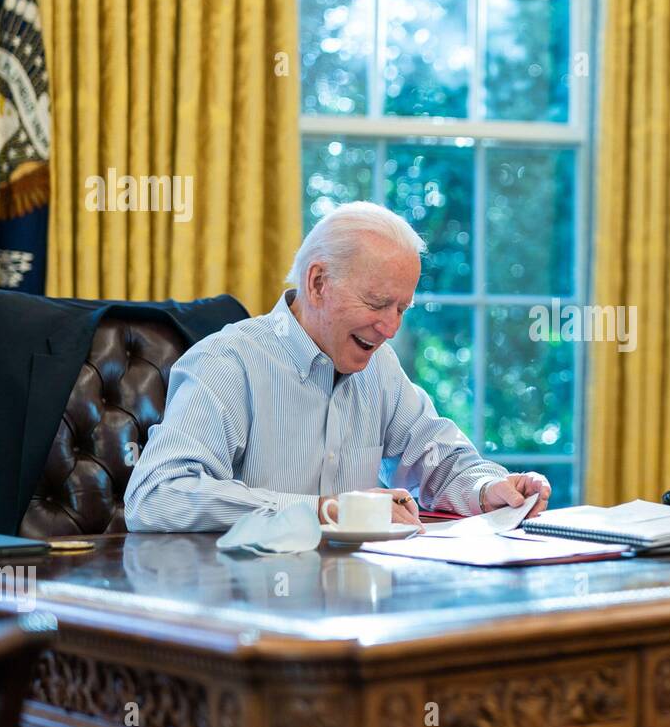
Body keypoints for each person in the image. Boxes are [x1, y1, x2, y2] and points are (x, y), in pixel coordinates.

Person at [124, 202, 551, 532]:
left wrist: (487, 488)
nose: (390, 327)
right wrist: (325, 511)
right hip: (244, 612)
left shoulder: (379, 368)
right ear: (317, 283)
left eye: (402, 308)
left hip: (356, 610)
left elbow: (438, 459)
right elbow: (156, 496)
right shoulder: (227, 362)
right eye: (377, 303)